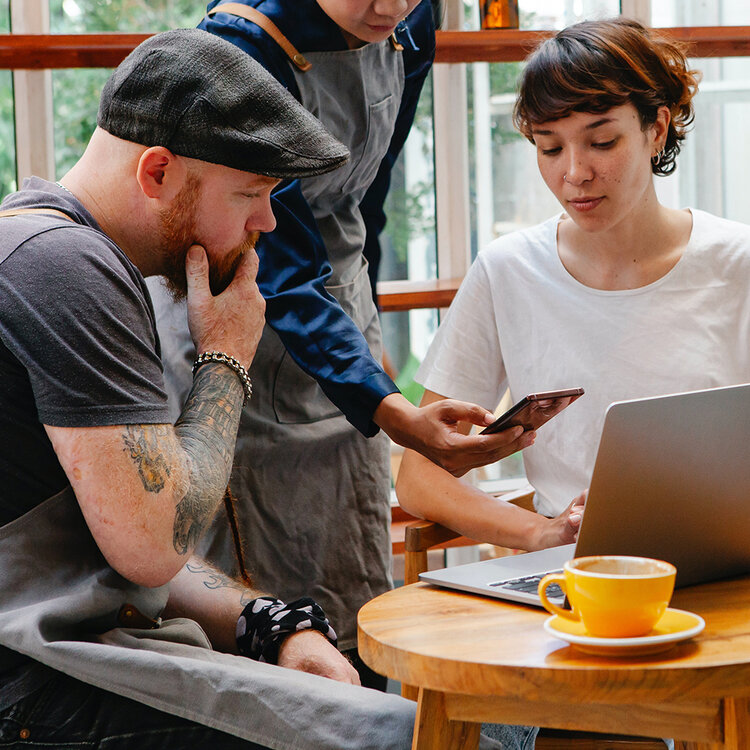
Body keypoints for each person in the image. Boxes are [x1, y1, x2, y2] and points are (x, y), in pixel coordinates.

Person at [0, 28, 529, 750]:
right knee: (445, 737)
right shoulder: (63, 267)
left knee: (469, 725)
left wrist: (267, 623)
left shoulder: (54, 248)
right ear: (156, 172)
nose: (267, 223)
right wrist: (227, 357)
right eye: (250, 193)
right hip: (35, 682)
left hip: (81, 653)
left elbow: (125, 530)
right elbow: (152, 549)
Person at [147, 0, 532, 682]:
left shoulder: (412, 22)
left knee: (351, 567)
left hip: (342, 312)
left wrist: (369, 350)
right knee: (263, 591)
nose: (389, 6)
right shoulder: (241, 44)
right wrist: (393, 409)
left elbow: (369, 198)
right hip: (250, 304)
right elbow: (284, 258)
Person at [396, 18, 750, 547]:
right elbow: (420, 477)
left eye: (602, 141)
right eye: (550, 148)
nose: (575, 173)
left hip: (726, 564)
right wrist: (542, 533)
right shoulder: (506, 270)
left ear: (656, 128)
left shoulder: (737, 263)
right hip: (572, 577)